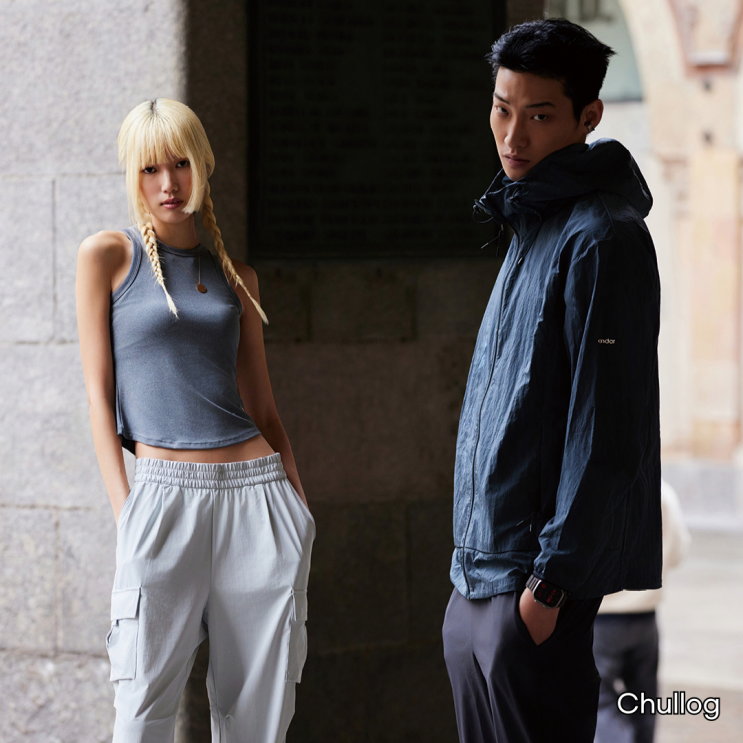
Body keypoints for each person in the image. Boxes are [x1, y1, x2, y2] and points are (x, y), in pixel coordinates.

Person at [441, 18, 662, 743]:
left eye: (538, 115)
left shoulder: (603, 238)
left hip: (530, 594)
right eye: (501, 109)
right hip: (476, 581)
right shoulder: (531, 222)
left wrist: (548, 591)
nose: (512, 136)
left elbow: (608, 432)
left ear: (587, 116)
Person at [75, 98, 315, 743]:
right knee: (141, 708)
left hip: (260, 501)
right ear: (133, 174)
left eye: (180, 164)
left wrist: (298, 509)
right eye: (150, 168)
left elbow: (264, 409)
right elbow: (98, 396)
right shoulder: (108, 256)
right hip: (162, 499)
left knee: (258, 716)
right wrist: (128, 512)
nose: (168, 183)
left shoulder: (238, 280)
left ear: (203, 166)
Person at [593, 479, 691, 743]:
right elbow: (678, 552)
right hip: (646, 617)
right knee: (644, 703)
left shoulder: (596, 487)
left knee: (601, 702)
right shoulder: (663, 491)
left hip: (601, 619)